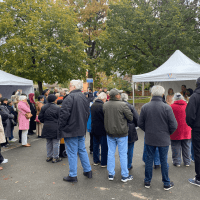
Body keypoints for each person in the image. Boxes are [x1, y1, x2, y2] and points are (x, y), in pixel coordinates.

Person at [138, 85, 177, 190]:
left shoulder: (145, 107)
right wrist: (167, 133)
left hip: (150, 137)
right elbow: (174, 125)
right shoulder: (167, 107)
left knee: (149, 159)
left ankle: (147, 181)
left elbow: (140, 123)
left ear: (151, 94)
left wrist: (148, 131)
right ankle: (166, 183)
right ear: (163, 94)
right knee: (164, 160)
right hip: (163, 138)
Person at [58, 80, 92, 183]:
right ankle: (88, 170)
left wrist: (61, 127)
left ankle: (73, 175)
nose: (69, 87)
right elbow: (87, 113)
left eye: (70, 85)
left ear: (73, 86)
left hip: (71, 129)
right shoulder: (83, 97)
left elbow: (64, 114)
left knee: (72, 152)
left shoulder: (69, 97)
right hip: (80, 128)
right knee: (81, 150)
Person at [103, 88, 133, 182]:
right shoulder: (122, 105)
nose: (120, 95)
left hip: (110, 133)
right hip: (121, 133)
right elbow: (130, 117)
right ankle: (124, 175)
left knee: (111, 153)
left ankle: (111, 174)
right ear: (116, 96)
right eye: (119, 94)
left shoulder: (105, 105)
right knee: (123, 154)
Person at [38, 94, 62, 163]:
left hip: (47, 125)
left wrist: (45, 121)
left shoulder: (44, 107)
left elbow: (40, 117)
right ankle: (55, 157)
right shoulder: (57, 108)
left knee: (48, 142)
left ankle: (49, 156)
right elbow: (60, 118)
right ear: (55, 100)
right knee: (56, 142)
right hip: (55, 126)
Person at [170, 93, 191, 167]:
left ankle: (177, 162)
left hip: (175, 129)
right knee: (187, 146)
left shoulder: (171, 107)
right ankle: (187, 162)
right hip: (187, 128)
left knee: (175, 146)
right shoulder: (188, 106)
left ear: (174, 98)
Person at [186, 77, 200, 186]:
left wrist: (192, 125)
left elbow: (190, 115)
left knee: (198, 152)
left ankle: (199, 178)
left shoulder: (195, 97)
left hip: (197, 129)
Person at [121, 93, 139, 170]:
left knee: (122, 149)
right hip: (130, 128)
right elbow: (137, 118)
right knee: (130, 147)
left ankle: (123, 165)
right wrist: (135, 125)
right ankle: (128, 165)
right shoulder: (131, 106)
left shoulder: (118, 106)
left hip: (120, 128)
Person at [91, 92, 108, 167]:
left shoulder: (93, 105)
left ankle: (96, 160)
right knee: (104, 146)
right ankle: (103, 162)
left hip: (94, 128)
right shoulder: (103, 106)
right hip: (102, 128)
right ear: (103, 98)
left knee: (95, 145)